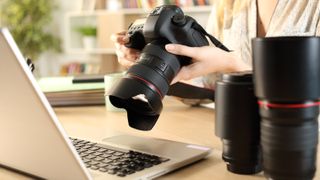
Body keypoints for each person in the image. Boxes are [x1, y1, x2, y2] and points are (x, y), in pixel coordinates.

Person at [111, 0, 320, 92]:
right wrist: (155, 59)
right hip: (233, 134)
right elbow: (207, 83)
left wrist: (233, 66)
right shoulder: (228, 3)